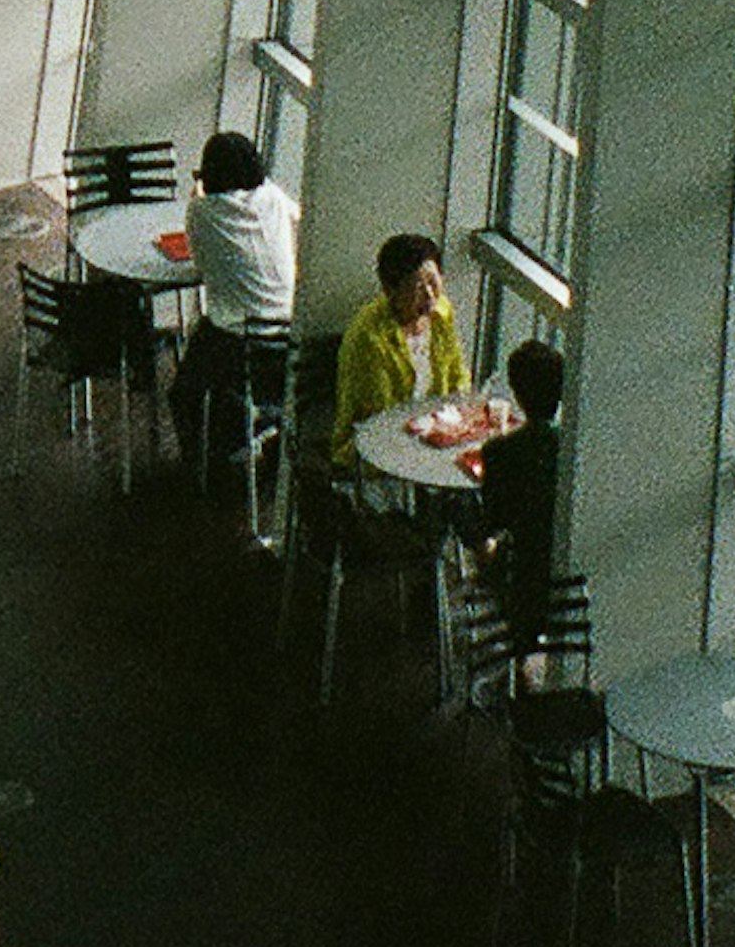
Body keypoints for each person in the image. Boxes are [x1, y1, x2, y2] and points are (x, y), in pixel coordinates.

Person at [167, 125, 300, 500]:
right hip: (287, 335)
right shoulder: (272, 197)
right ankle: (254, 442)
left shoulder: (201, 212)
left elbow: (199, 260)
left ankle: (206, 467)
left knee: (184, 393)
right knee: (232, 387)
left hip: (238, 343)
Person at [332, 229, 469, 459]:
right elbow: (381, 417)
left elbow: (458, 377)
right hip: (379, 449)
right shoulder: (369, 338)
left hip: (435, 436)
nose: (429, 296)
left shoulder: (441, 314)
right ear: (390, 291)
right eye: (417, 288)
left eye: (433, 282)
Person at [470, 331, 566, 654]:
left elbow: (494, 519)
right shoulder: (571, 448)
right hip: (563, 566)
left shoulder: (499, 452)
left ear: (518, 394)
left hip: (524, 573)